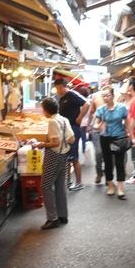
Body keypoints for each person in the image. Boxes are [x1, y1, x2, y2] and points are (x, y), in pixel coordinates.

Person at [33, 98, 75, 230]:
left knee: (45, 186)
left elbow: (55, 143)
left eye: (42, 109)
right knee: (60, 186)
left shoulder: (52, 121)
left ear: (46, 110)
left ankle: (52, 218)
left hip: (53, 156)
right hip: (63, 156)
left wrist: (41, 144)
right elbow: (72, 139)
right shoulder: (64, 119)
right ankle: (63, 215)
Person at [93, 86, 130, 199]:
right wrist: (98, 125)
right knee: (108, 163)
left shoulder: (122, 108)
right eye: (103, 96)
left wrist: (131, 136)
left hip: (119, 137)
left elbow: (127, 122)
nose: (105, 98)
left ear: (113, 96)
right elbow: (95, 125)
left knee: (119, 163)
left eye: (107, 95)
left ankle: (120, 187)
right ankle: (110, 186)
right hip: (105, 138)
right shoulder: (101, 110)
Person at [54, 78, 88, 191]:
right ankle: (68, 181)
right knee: (68, 157)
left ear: (64, 86)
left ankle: (79, 183)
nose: (58, 91)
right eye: (57, 89)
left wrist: (80, 117)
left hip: (73, 129)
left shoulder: (72, 95)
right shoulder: (62, 98)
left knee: (74, 157)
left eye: (59, 88)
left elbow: (87, 103)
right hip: (66, 130)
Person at [87, 75, 111, 184]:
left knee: (109, 154)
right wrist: (88, 125)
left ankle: (108, 176)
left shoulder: (116, 95)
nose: (103, 83)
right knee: (98, 152)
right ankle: (99, 173)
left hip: (111, 129)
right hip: (97, 129)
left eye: (105, 80)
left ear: (109, 82)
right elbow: (91, 112)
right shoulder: (95, 96)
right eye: (102, 81)